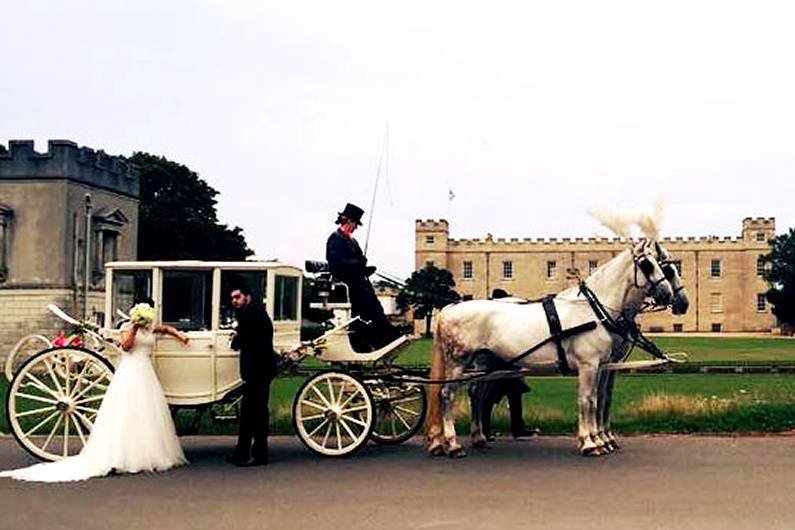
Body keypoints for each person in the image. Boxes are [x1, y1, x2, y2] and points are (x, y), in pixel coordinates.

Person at [0, 301, 189, 482]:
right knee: (127, 409)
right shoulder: (128, 327)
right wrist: (135, 327)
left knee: (146, 412)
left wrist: (179, 334)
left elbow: (164, 329)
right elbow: (126, 346)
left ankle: (147, 451)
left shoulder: (150, 328)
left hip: (146, 372)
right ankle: (123, 454)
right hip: (131, 370)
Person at [326, 202, 402, 351]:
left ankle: (387, 337)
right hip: (349, 284)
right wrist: (358, 264)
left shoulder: (352, 241)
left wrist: (365, 267)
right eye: (355, 224)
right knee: (368, 309)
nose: (356, 227)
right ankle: (381, 339)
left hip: (360, 282)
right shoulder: (335, 239)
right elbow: (335, 263)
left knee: (376, 308)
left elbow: (358, 261)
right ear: (349, 221)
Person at [477, 288, 539, 441]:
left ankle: (516, 428)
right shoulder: (492, 318)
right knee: (489, 398)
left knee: (513, 396)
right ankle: (486, 429)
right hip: (495, 363)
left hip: (506, 363)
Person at [226, 283, 277, 467]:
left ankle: (259, 454)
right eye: (232, 298)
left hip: (259, 370)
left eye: (237, 297)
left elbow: (242, 340)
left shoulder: (251, 313)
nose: (234, 301)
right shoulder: (253, 312)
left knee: (256, 413)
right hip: (258, 369)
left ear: (247, 296)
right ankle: (242, 452)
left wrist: (235, 339)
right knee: (249, 413)